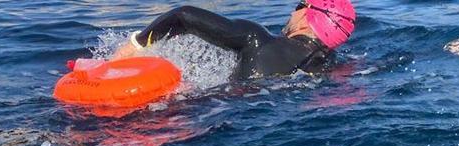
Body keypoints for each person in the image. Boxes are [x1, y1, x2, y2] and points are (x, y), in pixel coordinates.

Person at [110, 1, 357, 79]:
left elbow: (182, 16)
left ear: (309, 18)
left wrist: (133, 46)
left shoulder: (258, 39)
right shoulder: (333, 66)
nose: (293, 12)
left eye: (299, 5)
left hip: (223, 109)